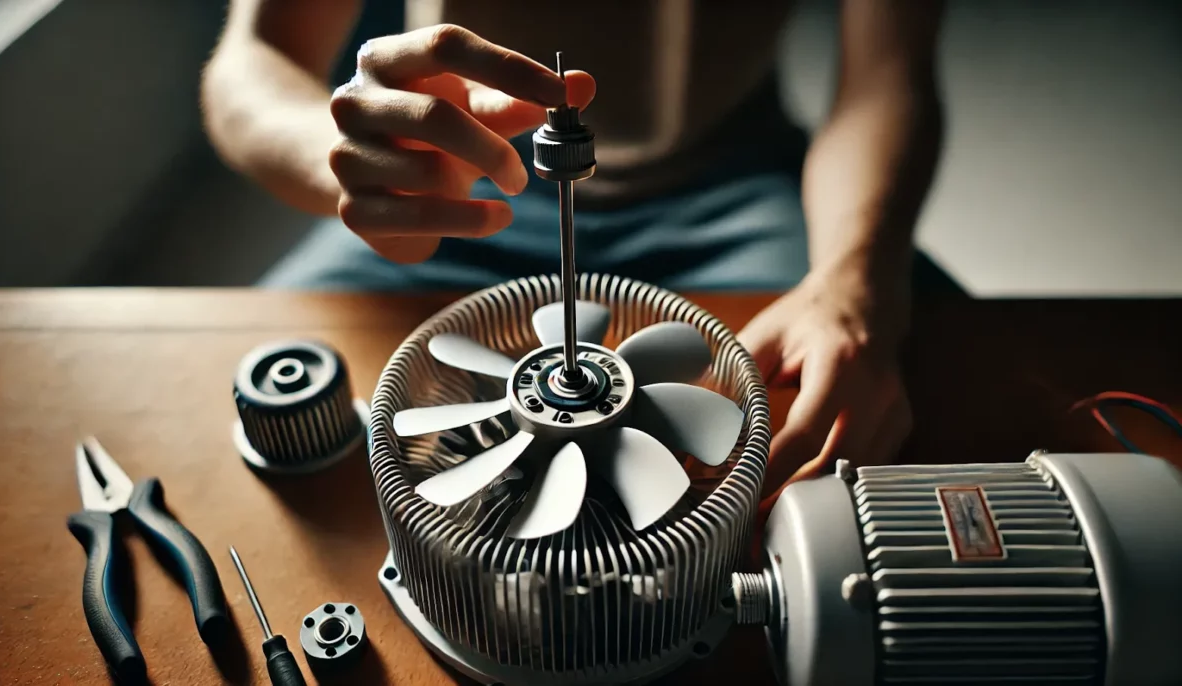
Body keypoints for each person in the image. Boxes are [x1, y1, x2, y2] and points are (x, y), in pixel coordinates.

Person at [200, 0, 948, 511]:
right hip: (460, 183)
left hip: (735, 179)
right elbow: (253, 57)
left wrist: (855, 278)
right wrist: (336, 151)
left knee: (836, 442)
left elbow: (889, 72)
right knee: (289, 426)